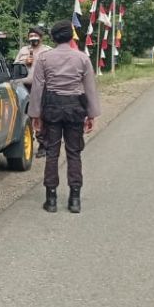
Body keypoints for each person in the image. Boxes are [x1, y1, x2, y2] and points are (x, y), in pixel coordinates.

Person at [27, 20, 101, 213]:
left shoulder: (44, 58)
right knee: (74, 153)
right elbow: (90, 88)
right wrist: (91, 114)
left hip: (52, 107)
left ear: (53, 37)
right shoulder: (82, 58)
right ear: (71, 36)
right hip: (75, 108)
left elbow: (37, 89)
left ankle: (51, 200)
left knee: (52, 152)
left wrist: (36, 114)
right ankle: (74, 200)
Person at [16, 27, 51, 157]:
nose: (33, 39)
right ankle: (27, 143)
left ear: (41, 37)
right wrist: (25, 62)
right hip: (24, 88)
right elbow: (16, 67)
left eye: (36, 36)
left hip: (42, 88)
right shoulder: (24, 51)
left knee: (41, 116)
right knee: (27, 116)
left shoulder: (47, 51)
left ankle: (43, 146)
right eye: (31, 36)